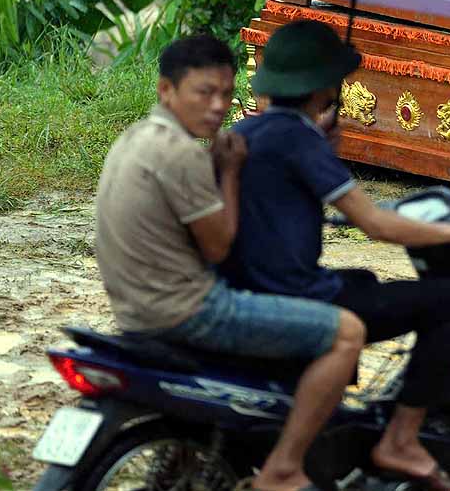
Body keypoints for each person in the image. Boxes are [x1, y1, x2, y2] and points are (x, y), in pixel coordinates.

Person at [221, 20, 450, 491]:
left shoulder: (251, 130)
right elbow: (376, 224)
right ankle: (402, 440)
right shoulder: (299, 139)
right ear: (323, 86)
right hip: (292, 295)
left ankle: (327, 424)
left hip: (249, 285)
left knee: (364, 282)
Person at [93, 34, 366, 491]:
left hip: (136, 308)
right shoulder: (179, 154)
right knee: (347, 332)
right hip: (192, 311)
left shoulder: (136, 139)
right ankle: (285, 469)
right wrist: (233, 173)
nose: (219, 105)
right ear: (166, 90)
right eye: (204, 92)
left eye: (226, 92)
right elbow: (219, 247)